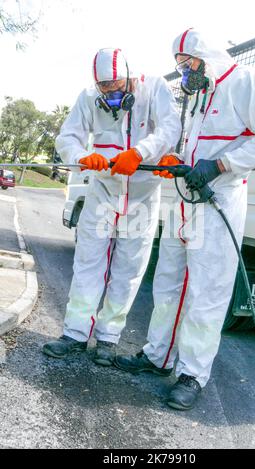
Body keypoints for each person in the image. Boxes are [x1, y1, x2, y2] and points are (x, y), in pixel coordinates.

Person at [115, 29, 255, 410]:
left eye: (186, 62)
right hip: (184, 197)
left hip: (218, 197)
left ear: (205, 55)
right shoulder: (198, 94)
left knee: (206, 290)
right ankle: (157, 356)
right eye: (179, 65)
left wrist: (222, 164)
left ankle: (192, 373)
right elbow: (194, 145)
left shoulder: (247, 82)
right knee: (168, 279)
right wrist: (178, 161)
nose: (184, 71)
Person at [42, 48, 181, 365]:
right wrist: (80, 157)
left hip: (142, 197)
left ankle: (107, 338)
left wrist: (141, 152)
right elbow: (67, 138)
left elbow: (171, 128)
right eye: (105, 88)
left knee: (127, 271)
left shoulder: (155, 88)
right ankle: (75, 334)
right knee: (88, 265)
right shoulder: (88, 98)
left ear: (130, 76)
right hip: (103, 191)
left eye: (117, 87)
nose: (112, 94)